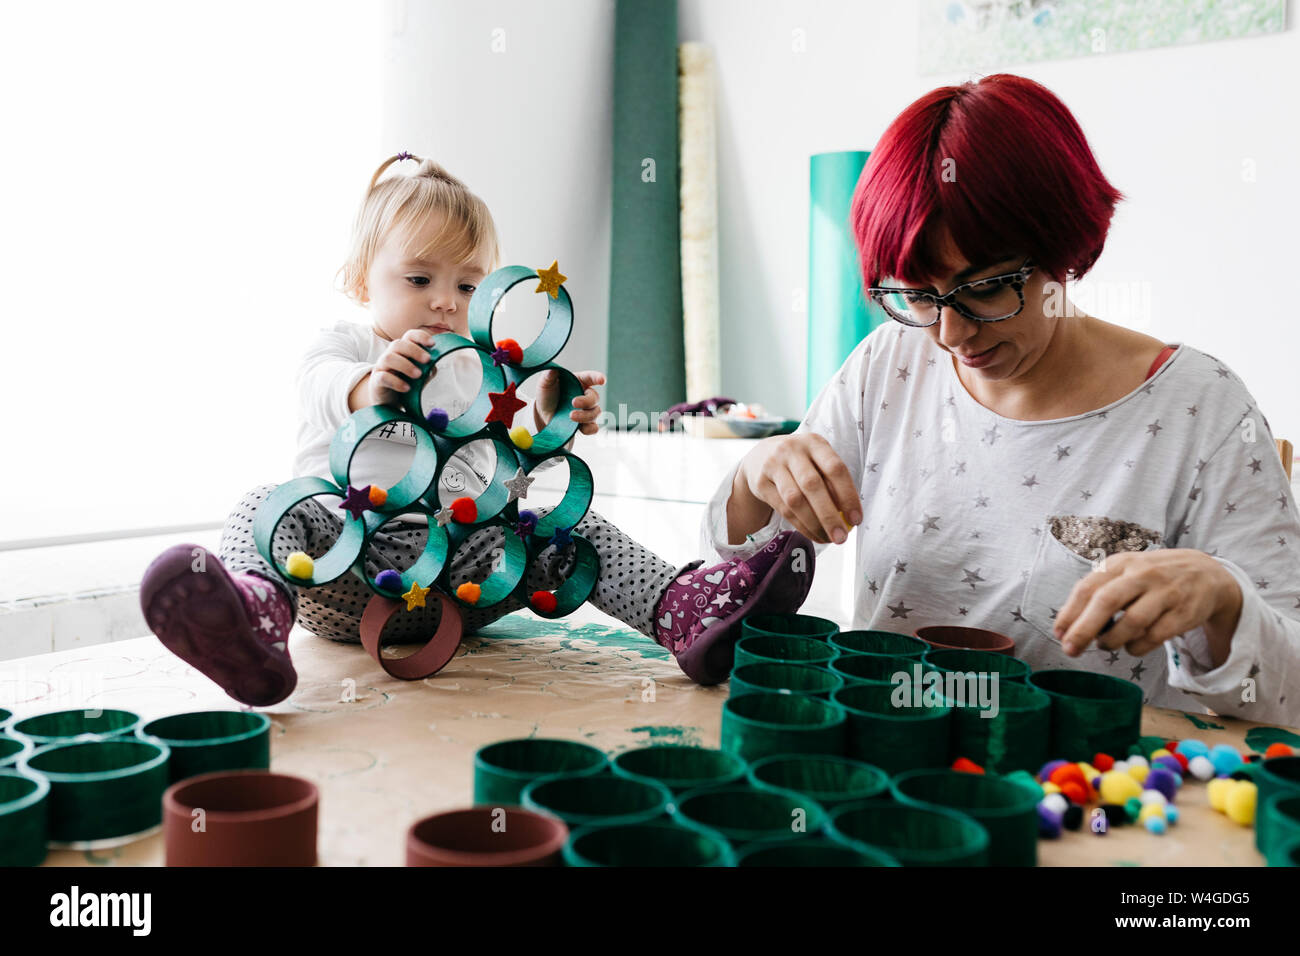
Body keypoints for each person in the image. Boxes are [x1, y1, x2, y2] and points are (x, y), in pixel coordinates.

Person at [702, 74, 1300, 726]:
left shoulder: (1199, 409)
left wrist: (1224, 599)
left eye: (985, 289)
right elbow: (726, 581)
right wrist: (755, 477)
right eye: (918, 296)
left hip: (1082, 797)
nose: (951, 335)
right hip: (888, 766)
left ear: (1064, 248)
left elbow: (1291, 689)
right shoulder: (890, 365)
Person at [140, 153, 814, 705]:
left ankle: (684, 610)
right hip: (341, 574)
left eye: (467, 286)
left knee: (562, 525)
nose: (443, 300)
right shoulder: (344, 344)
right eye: (419, 277)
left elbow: (502, 484)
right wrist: (368, 385)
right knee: (263, 504)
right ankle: (255, 618)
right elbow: (319, 388)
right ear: (358, 278)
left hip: (457, 587)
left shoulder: (478, 374)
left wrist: (553, 419)